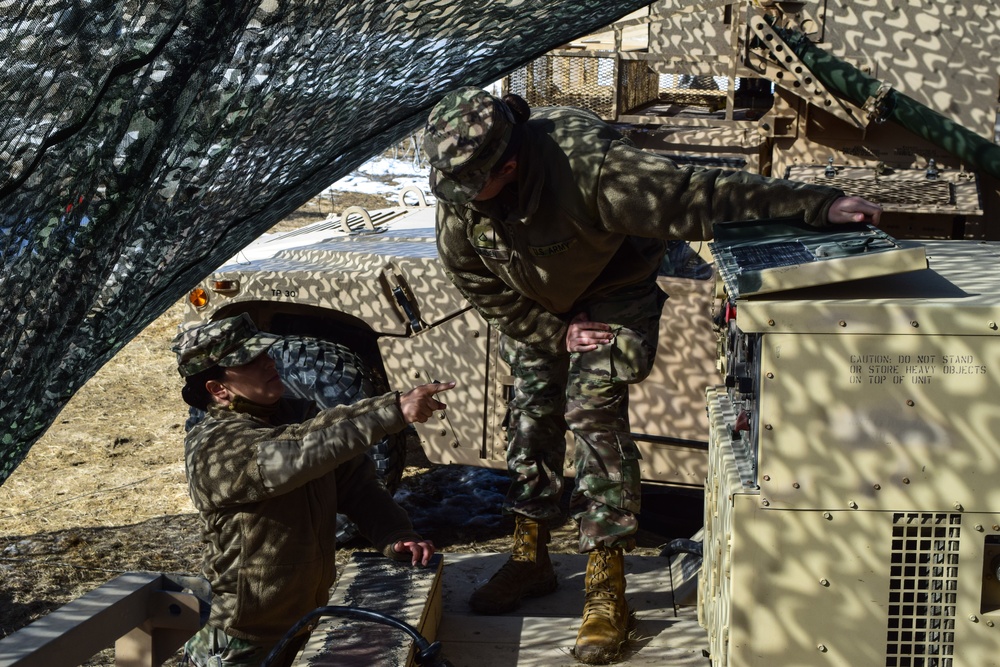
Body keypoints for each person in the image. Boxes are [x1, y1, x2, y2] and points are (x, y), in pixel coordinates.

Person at [422, 86, 882, 665]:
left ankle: (605, 585)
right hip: (533, 305)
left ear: (508, 165)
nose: (459, 201)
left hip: (614, 292)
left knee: (593, 413)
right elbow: (478, 285)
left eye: (471, 187)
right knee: (532, 414)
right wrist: (551, 331)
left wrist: (820, 205)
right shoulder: (461, 188)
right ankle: (528, 556)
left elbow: (698, 195)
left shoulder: (593, 167)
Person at [171, 313, 454, 667]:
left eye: (264, 354)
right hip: (237, 640)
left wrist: (394, 533)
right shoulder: (216, 446)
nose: (268, 362)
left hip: (301, 625)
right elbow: (299, 450)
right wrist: (392, 409)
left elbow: (355, 485)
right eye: (250, 361)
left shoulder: (290, 416)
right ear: (219, 389)